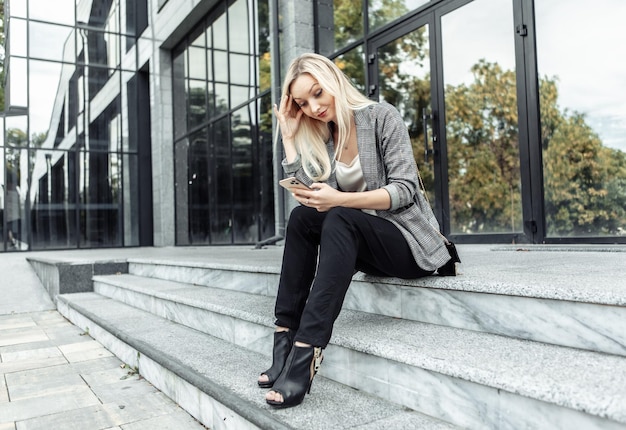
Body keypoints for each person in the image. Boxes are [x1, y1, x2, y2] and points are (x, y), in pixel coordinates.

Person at [259, 52, 453, 408]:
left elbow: (404, 190)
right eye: (303, 103)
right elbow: (313, 197)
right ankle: (284, 338)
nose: (314, 107)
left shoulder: (381, 116)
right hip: (364, 242)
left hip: (407, 242)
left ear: (334, 81)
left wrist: (340, 200)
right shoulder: (327, 135)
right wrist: (288, 137)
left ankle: (306, 352)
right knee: (303, 219)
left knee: (340, 216)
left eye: (318, 93)